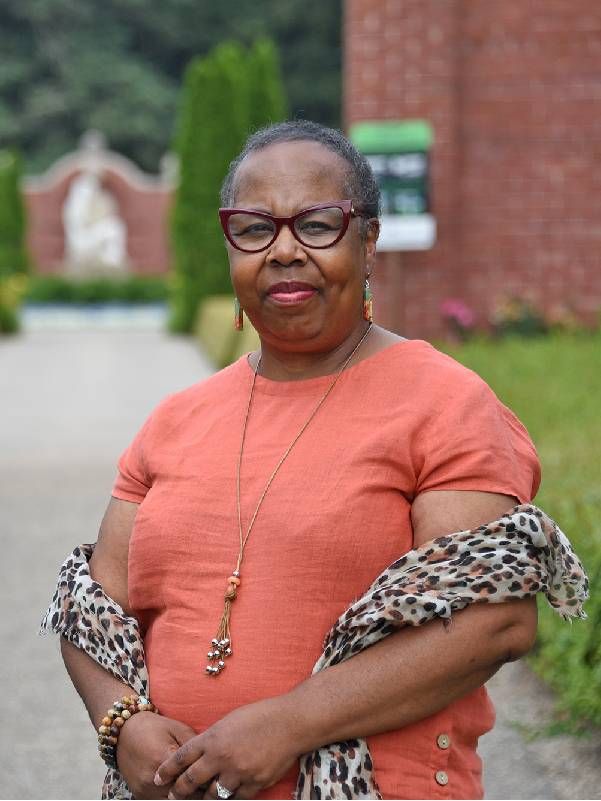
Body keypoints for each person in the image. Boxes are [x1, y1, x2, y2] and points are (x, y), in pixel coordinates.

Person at [60, 121, 542, 800]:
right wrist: (122, 720)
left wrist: (286, 725)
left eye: (316, 224)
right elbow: (90, 611)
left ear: (366, 239)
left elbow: (491, 618)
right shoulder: (176, 420)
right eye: (254, 228)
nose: (284, 250)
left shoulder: (445, 403)